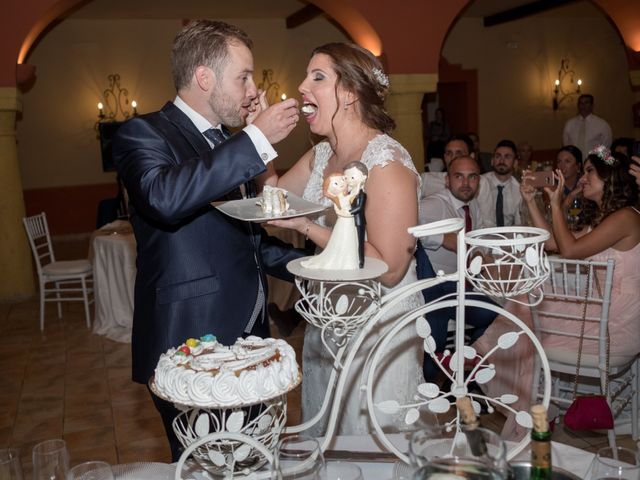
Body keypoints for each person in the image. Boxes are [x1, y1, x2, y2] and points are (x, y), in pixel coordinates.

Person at [112, 20, 304, 460]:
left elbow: (243, 237)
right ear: (204, 78)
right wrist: (256, 138)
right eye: (244, 77)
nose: (254, 89)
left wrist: (305, 268)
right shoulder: (143, 133)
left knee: (253, 459)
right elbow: (165, 197)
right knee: (206, 464)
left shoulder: (225, 143)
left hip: (248, 338)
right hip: (189, 339)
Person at [265, 42, 423, 435]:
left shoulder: (385, 164)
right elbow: (274, 199)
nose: (302, 86)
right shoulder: (321, 155)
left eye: (317, 77)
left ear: (350, 93)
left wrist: (307, 227)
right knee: (326, 432)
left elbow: (388, 268)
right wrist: (260, 136)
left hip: (379, 327)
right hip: (328, 318)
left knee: (371, 437)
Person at [474, 145, 640, 440]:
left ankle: (506, 381)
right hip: (605, 316)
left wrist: (556, 201)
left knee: (527, 309)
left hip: (616, 328)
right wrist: (535, 202)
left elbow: (570, 249)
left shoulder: (626, 217)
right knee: (527, 302)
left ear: (610, 177)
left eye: (590, 171)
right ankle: (522, 392)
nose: (583, 178)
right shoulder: (611, 219)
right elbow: (552, 243)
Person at [417, 155, 497, 380]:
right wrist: (442, 238)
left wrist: (479, 254)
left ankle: (467, 376)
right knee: (492, 316)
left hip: (459, 285)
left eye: (472, 177)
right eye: (458, 176)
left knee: (497, 317)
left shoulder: (472, 205)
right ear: (447, 180)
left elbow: (476, 238)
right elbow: (404, 223)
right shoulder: (435, 204)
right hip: (434, 286)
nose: (465, 183)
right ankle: (437, 388)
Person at [300, 173, 359, 270]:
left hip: (348, 223)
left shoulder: (346, 198)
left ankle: (350, 262)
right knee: (342, 239)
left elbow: (354, 195)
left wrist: (358, 186)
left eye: (342, 180)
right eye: (335, 183)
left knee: (349, 240)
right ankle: (343, 262)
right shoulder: (338, 200)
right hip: (344, 222)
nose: (341, 184)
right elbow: (341, 208)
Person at [476, 139, 523, 228]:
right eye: (498, 156)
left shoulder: (519, 189)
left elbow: (519, 224)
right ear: (492, 161)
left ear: (515, 163)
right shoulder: (479, 183)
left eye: (507, 157)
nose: (502, 160)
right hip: (479, 236)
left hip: (508, 238)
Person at [421, 134, 475, 198]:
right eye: (449, 153)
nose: (453, 158)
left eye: (459, 153)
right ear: (445, 157)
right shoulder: (427, 180)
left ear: (471, 156)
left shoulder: (481, 184)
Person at [344, 161, 368, 268]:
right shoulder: (349, 194)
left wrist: (347, 212)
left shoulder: (362, 194)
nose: (349, 180)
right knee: (350, 241)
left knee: (359, 243)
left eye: (352, 177)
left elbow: (359, 207)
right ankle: (350, 259)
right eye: (346, 178)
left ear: (363, 178)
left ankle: (361, 260)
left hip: (358, 221)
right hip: (349, 221)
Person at [555, 145, 583, 210]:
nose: (562, 166)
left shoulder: (585, 183)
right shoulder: (553, 185)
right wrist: (572, 195)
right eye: (559, 161)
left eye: (567, 161)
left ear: (578, 166)